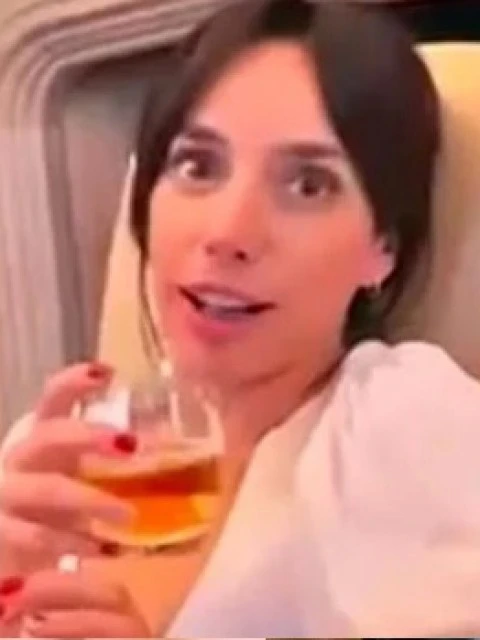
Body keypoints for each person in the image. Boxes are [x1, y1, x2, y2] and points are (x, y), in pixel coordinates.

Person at [1, 0, 480, 636]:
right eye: (197, 166)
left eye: (308, 185)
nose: (229, 233)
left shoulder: (408, 424)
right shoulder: (60, 448)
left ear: (382, 249)